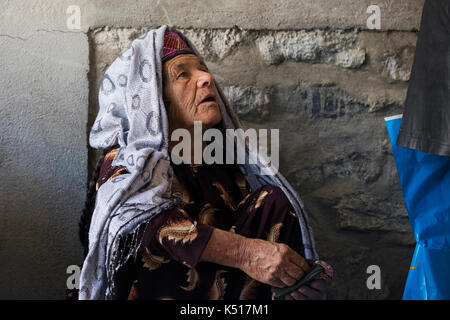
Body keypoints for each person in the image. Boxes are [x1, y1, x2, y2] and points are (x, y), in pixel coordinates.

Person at [77, 25, 331, 300]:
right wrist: (247, 254)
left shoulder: (225, 168)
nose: (206, 78)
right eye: (182, 74)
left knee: (274, 202)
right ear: (153, 100)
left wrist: (295, 279)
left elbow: (255, 267)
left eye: (202, 69)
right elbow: (146, 227)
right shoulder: (126, 162)